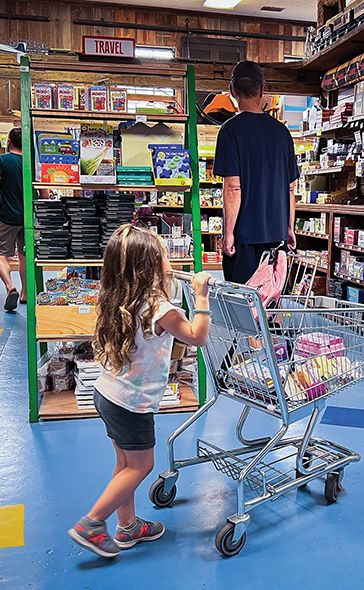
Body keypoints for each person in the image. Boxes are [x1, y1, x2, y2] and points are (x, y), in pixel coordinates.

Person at [68, 225, 212, 558]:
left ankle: (128, 525)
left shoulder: (120, 297)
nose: (168, 260)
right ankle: (91, 524)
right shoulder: (160, 310)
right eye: (163, 255)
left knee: (125, 463)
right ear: (150, 267)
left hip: (107, 393)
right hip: (131, 404)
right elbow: (197, 336)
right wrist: (201, 297)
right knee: (141, 466)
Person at [213, 60, 299, 284]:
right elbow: (290, 189)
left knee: (243, 309)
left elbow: (233, 187)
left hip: (245, 238)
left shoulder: (230, 130)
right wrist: (289, 228)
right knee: (271, 307)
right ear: (262, 89)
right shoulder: (282, 132)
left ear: (231, 91)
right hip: (277, 236)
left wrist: (228, 233)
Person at [0, 128, 26, 312]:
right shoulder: (30, 161)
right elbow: (44, 193)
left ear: (8, 141)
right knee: (25, 254)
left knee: (0, 253)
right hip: (28, 218)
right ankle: (25, 293)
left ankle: (10, 286)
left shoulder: (1, 160)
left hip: (7, 216)